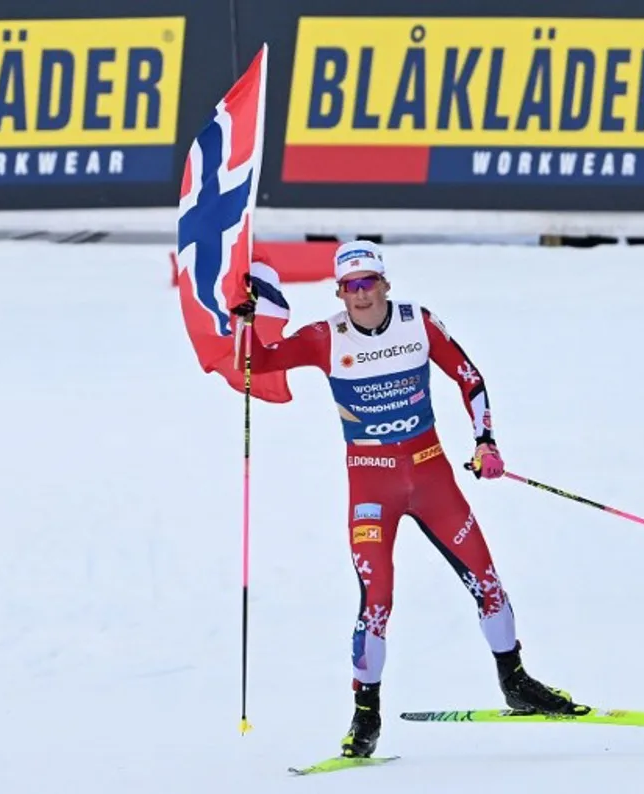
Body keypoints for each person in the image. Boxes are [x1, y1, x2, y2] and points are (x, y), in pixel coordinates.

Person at [233, 240, 577, 759]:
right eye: (351, 286)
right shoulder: (325, 337)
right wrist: (250, 318)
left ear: (386, 283)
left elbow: (469, 378)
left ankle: (515, 680)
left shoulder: (418, 323)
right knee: (378, 600)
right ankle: (365, 716)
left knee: (487, 580)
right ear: (340, 293)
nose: (362, 294)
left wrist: (485, 441)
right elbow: (255, 364)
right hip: (371, 487)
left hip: (432, 476)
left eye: (370, 282)